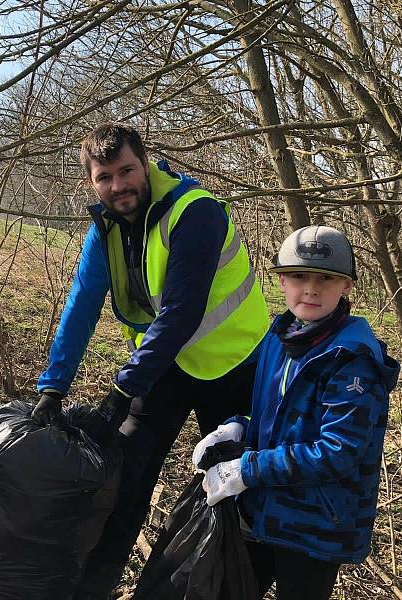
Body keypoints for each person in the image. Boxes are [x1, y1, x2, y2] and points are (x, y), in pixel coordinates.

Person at [33, 122, 270, 598]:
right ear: (91, 183)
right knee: (124, 484)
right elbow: (81, 304)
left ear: (146, 163)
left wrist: (121, 390)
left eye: (126, 170)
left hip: (235, 367)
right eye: (105, 177)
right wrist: (53, 386)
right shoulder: (105, 228)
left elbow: (182, 313)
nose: (118, 186)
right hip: (164, 367)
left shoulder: (194, 212)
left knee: (234, 493)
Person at [194, 225, 400, 600]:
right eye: (299, 276)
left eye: (326, 278)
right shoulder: (280, 336)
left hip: (316, 526)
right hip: (262, 511)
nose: (311, 288)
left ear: (347, 287)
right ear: (281, 280)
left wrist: (247, 468)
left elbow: (338, 453)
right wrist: (239, 427)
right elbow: (280, 418)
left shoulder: (352, 360)